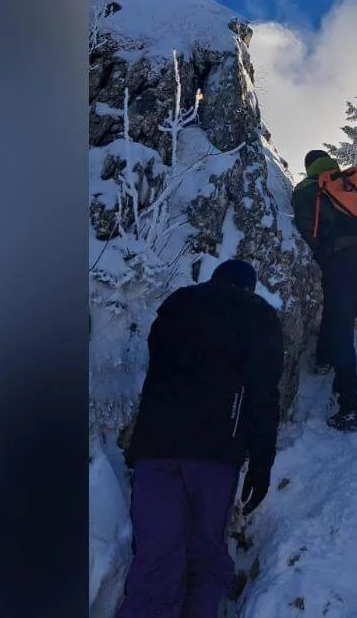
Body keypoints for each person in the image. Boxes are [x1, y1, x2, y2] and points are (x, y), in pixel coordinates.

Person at [117, 259, 284, 618]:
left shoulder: (176, 305)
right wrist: (261, 464)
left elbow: (156, 367)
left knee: (155, 559)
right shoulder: (258, 315)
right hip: (214, 454)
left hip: (155, 450)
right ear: (248, 288)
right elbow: (263, 396)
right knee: (205, 558)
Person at [292, 150, 357, 432]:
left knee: (342, 323)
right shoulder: (350, 180)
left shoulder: (307, 189)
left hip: (340, 258)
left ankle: (348, 405)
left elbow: (307, 229)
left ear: (309, 166)